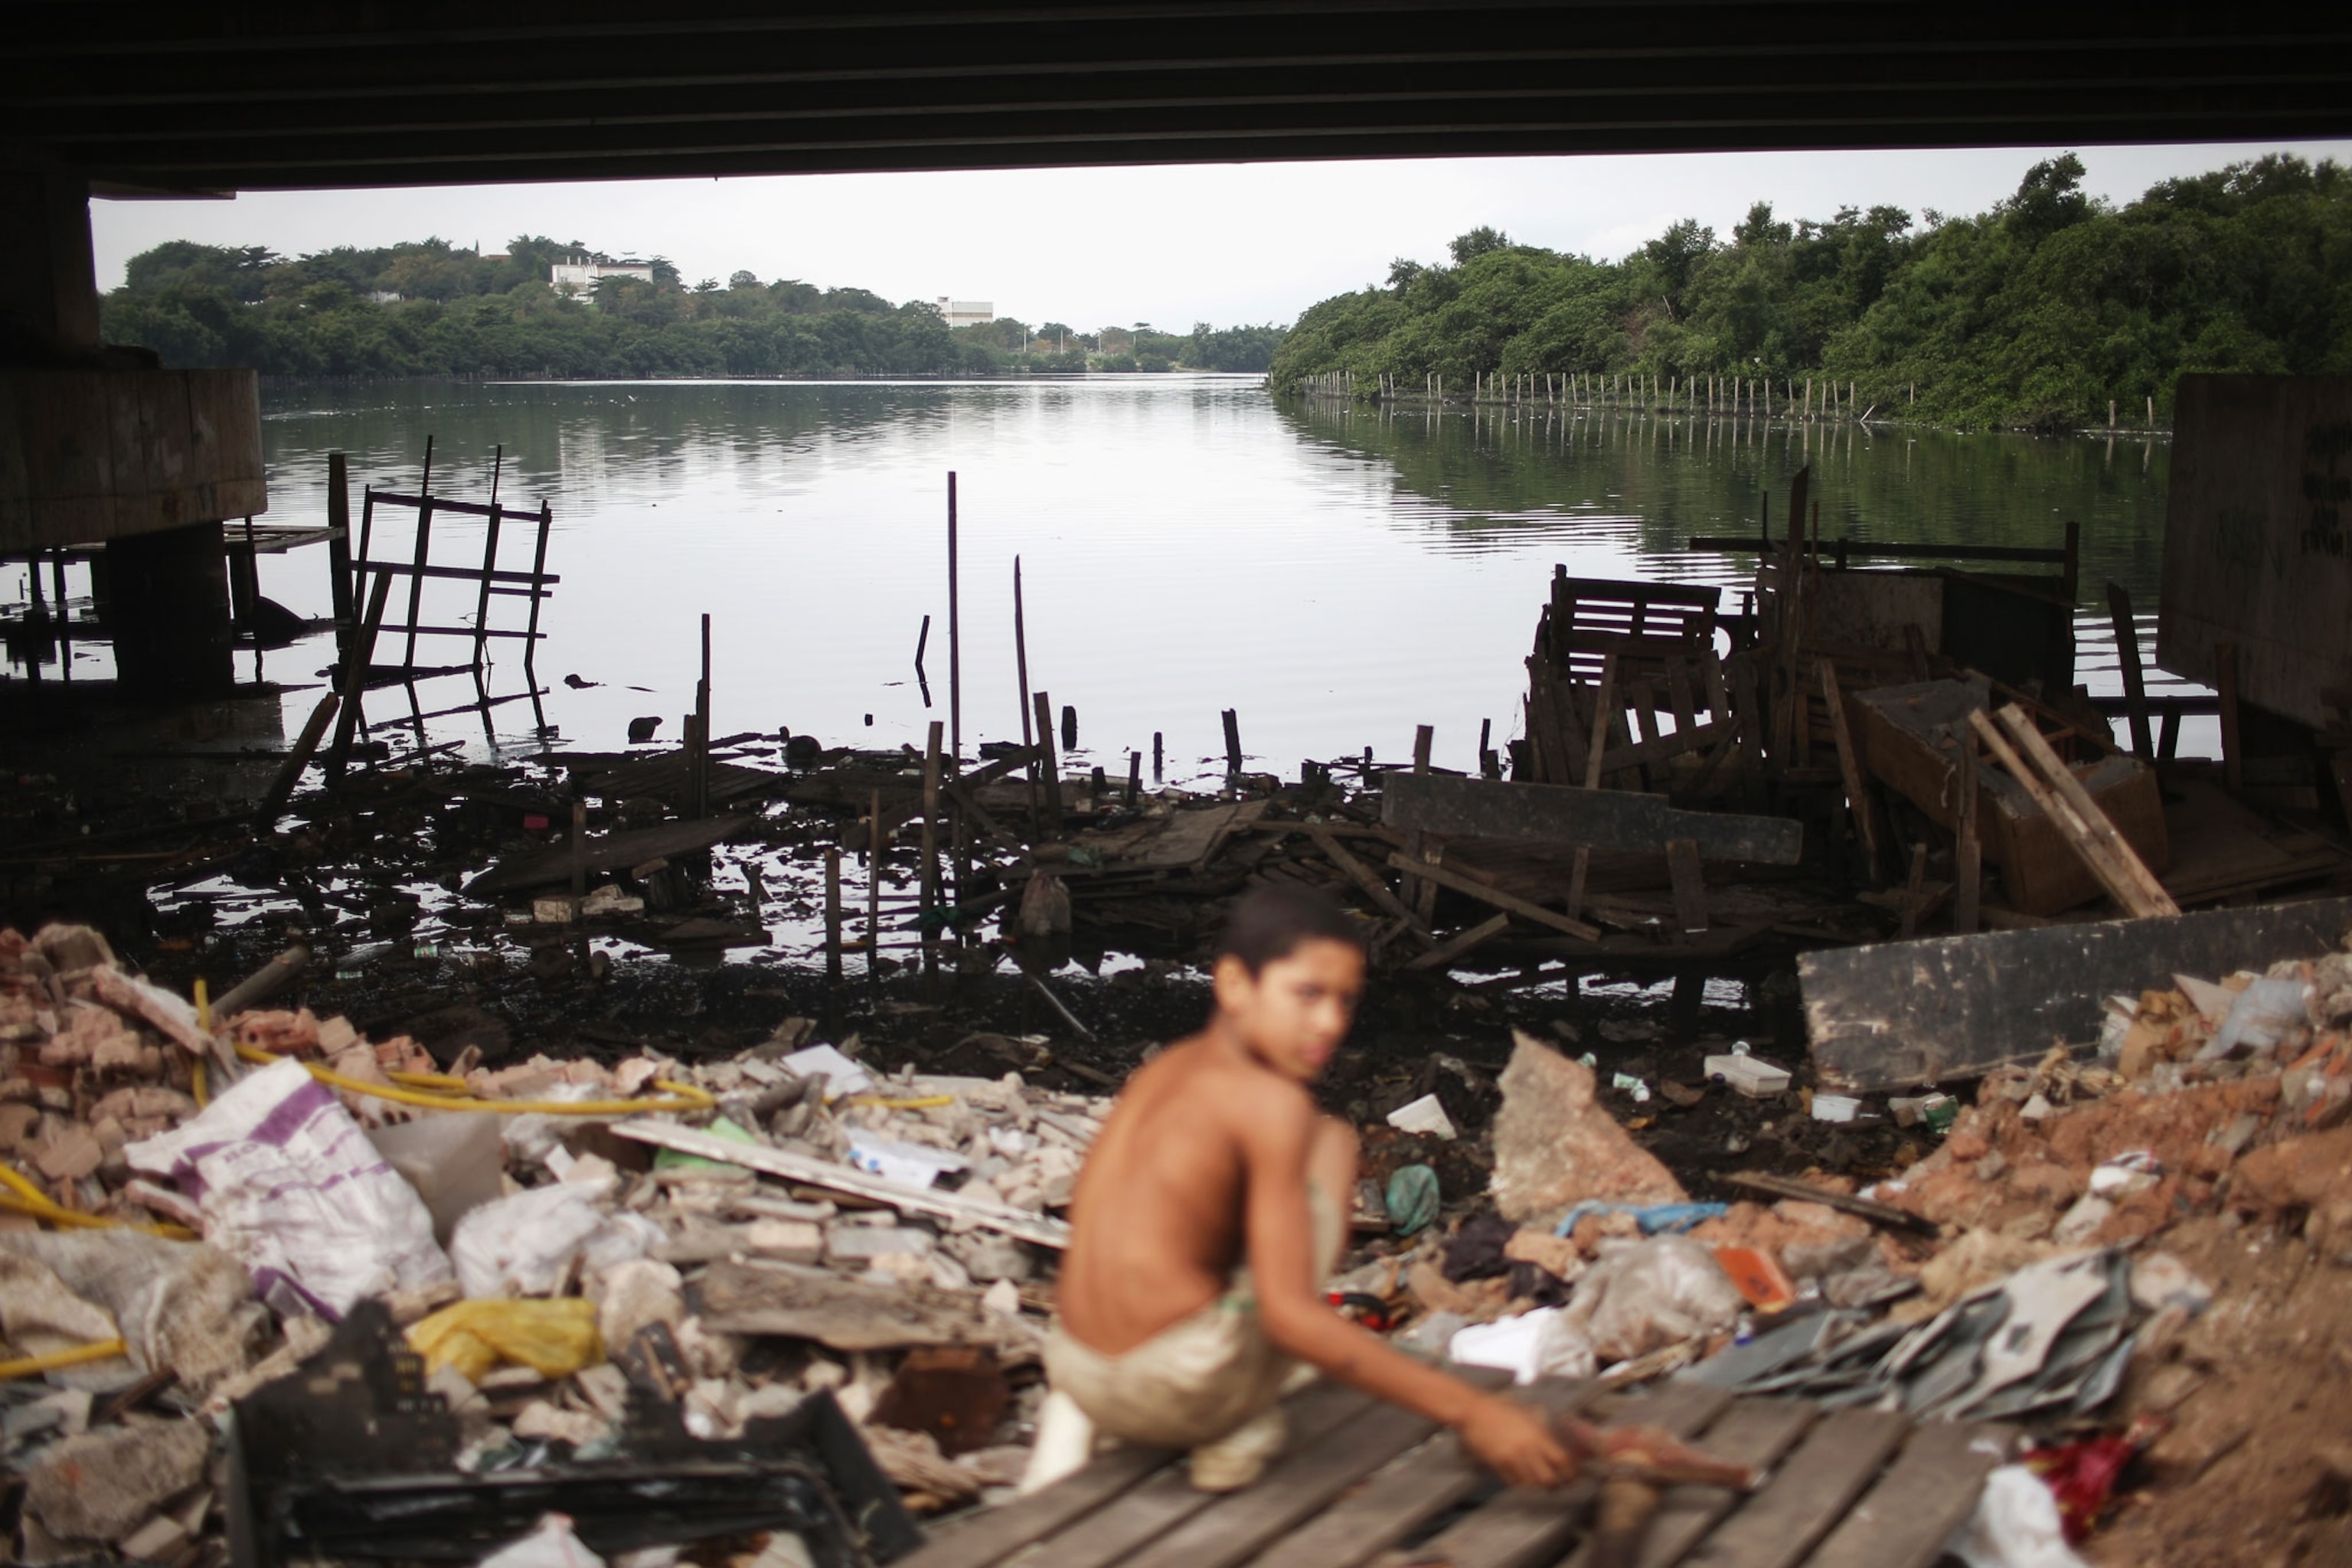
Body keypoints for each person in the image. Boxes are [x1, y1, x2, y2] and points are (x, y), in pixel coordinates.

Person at [1025, 884, 1576, 1494]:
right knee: (1334, 1145)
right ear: (1235, 984)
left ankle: (1081, 1422)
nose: (1331, 1023)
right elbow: (1290, 1318)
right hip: (1171, 1388)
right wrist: (1477, 1411)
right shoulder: (1271, 1105)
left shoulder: (1168, 1069)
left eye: (1345, 1000)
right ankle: (1231, 1432)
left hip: (1075, 1365)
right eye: (1308, 994)